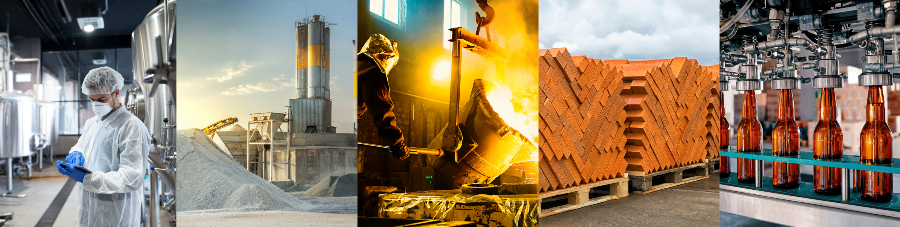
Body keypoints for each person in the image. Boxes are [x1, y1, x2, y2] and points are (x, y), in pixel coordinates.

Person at [56, 66, 151, 227]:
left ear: (116, 93)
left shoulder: (131, 126)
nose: (96, 104)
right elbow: (81, 144)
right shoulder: (92, 122)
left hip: (116, 211)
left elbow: (132, 177)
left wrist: (87, 178)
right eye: (92, 99)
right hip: (89, 206)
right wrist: (76, 153)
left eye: (101, 99)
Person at [357, 34, 410, 160]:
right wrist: (397, 143)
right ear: (384, 57)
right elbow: (381, 109)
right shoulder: (372, 72)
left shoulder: (356, 67)